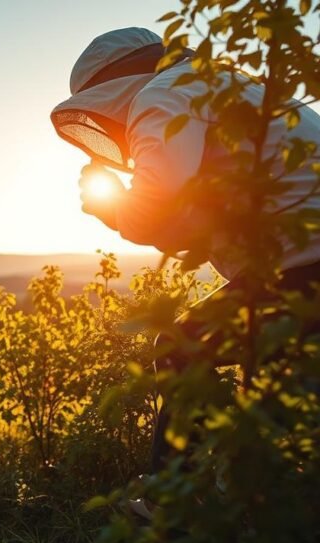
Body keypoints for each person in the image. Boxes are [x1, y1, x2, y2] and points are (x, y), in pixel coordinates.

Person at [50, 28, 320, 475]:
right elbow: (192, 226)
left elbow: (159, 203)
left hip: (301, 264)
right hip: (297, 262)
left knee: (181, 347)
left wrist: (115, 210)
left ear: (110, 92)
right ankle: (247, 495)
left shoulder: (161, 94)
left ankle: (178, 502)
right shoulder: (221, 82)